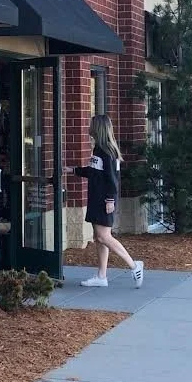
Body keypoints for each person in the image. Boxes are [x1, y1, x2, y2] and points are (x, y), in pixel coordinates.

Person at [64, 115, 144, 288]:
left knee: (104, 236)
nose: (89, 127)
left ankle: (134, 265)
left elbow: (112, 180)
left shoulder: (107, 151)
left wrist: (110, 200)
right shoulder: (99, 149)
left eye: (91, 124)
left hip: (103, 200)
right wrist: (74, 170)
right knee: (99, 238)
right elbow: (94, 172)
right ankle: (101, 276)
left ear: (98, 128)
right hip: (96, 199)